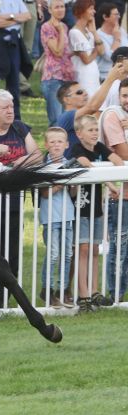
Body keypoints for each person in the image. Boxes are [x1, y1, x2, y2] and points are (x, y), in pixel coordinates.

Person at [0, 89, 41, 306]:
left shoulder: (19, 128)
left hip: (14, 202)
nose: (10, 111)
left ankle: (4, 299)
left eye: (11, 107)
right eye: (5, 107)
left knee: (12, 252)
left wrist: (15, 164)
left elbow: (37, 155)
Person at [71, 114, 122, 312]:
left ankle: (94, 291)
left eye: (96, 130)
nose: (94, 133)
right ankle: (82, 295)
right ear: (79, 133)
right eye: (90, 130)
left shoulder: (100, 147)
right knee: (83, 250)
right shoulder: (77, 149)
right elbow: (87, 165)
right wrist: (109, 182)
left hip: (97, 209)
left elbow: (116, 159)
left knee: (94, 250)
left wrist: (117, 169)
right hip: (81, 207)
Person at [37, 127, 75, 309]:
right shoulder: (44, 165)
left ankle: (63, 289)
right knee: (53, 254)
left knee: (67, 254)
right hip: (51, 215)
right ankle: (47, 290)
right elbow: (45, 193)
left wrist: (72, 180)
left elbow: (74, 191)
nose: (56, 145)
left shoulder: (70, 163)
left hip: (68, 214)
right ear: (46, 145)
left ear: (66, 144)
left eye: (60, 141)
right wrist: (62, 182)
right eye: (52, 142)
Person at [98, 78, 128, 303]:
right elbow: (123, 151)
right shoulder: (112, 115)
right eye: (124, 95)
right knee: (120, 247)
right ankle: (115, 295)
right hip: (121, 195)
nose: (127, 100)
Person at [56, 61, 124, 157]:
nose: (85, 94)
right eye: (79, 92)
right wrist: (110, 79)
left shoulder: (87, 117)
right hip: (74, 168)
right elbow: (93, 106)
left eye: (84, 91)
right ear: (67, 99)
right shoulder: (66, 117)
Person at [0, 0, 32, 120]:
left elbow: (27, 15)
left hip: (13, 42)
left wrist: (9, 16)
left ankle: (16, 118)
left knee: (14, 83)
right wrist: (16, 20)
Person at [40, 0, 75, 126]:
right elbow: (58, 52)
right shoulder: (47, 27)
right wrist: (60, 31)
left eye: (62, 7)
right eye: (57, 7)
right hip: (53, 78)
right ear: (49, 10)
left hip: (66, 78)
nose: (60, 9)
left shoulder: (64, 26)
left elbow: (65, 53)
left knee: (66, 119)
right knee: (56, 120)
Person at [69, 0, 104, 96]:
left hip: (93, 76)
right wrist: (96, 49)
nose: (94, 12)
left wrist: (94, 31)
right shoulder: (75, 33)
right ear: (82, 11)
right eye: (91, 9)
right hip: (83, 78)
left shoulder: (89, 31)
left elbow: (102, 51)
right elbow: (86, 60)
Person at [96, 3, 128, 81]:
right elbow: (110, 57)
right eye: (116, 15)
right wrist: (117, 39)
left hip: (124, 76)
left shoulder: (121, 31)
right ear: (105, 17)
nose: (119, 17)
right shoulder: (98, 35)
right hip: (107, 78)